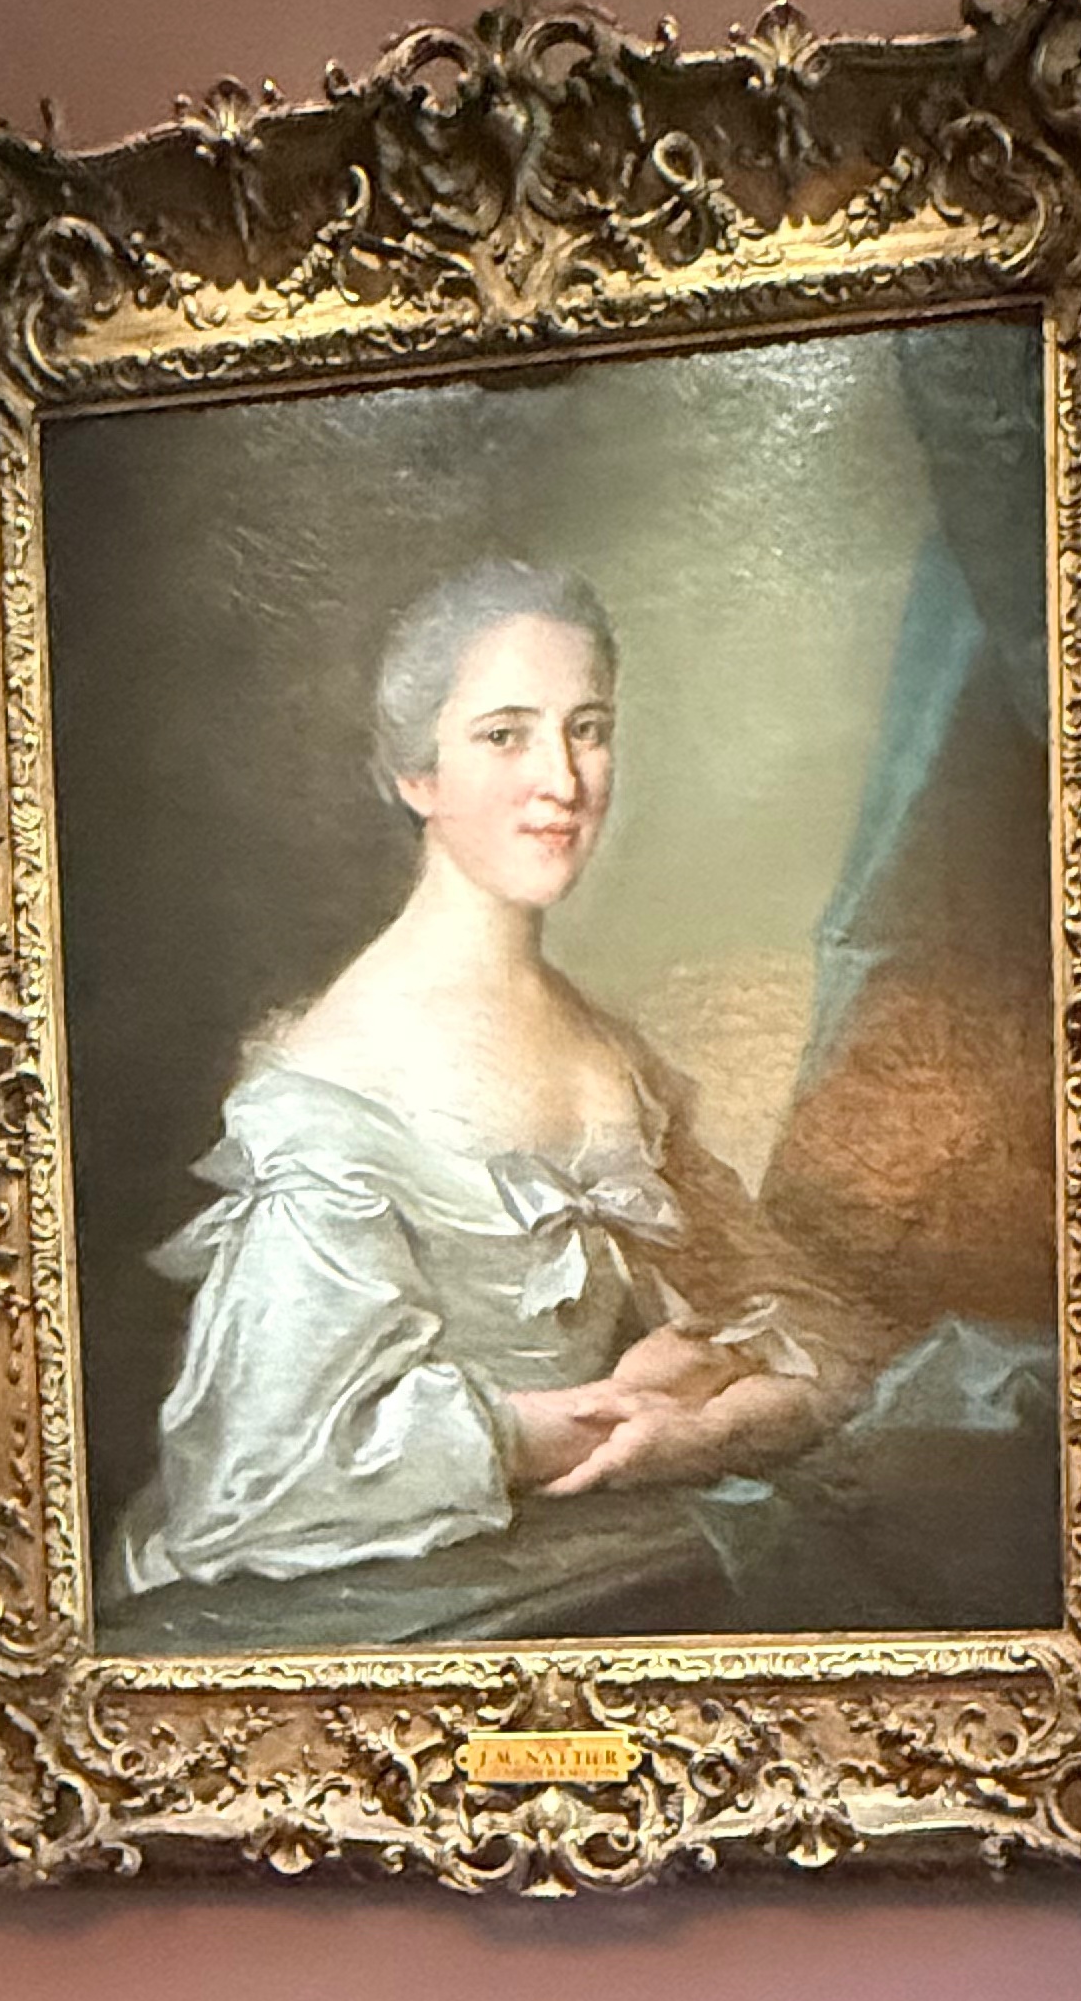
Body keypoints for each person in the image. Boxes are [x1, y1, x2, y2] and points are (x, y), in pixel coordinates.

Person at [103, 561, 855, 1602]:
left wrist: (716, 1421)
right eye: (505, 735)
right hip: (340, 1602)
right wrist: (571, 1424)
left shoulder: (613, 1054)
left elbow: (815, 1326)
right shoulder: (339, 1085)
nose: (563, 780)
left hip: (566, 1560)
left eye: (588, 729)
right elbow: (264, 1472)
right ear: (419, 777)